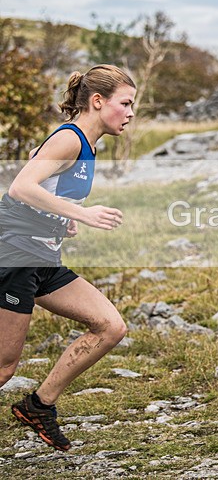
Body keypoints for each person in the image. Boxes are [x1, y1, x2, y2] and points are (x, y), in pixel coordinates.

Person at [0, 64, 135, 451]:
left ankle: (39, 405)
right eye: (124, 104)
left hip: (43, 257)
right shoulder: (71, 139)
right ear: (97, 101)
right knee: (4, 367)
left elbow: (45, 187)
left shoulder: (88, 145)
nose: (130, 113)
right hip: (15, 255)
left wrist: (60, 220)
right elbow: (20, 187)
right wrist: (83, 214)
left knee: (110, 326)